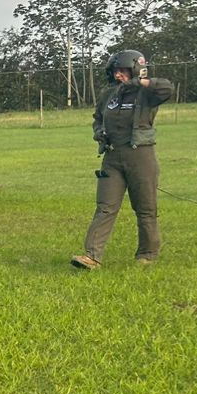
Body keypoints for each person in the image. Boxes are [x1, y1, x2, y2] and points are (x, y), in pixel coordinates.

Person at [71, 50, 176, 270]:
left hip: (141, 155)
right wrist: (99, 131)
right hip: (112, 156)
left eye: (123, 71)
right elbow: (98, 117)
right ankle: (92, 256)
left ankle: (147, 254)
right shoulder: (109, 95)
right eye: (115, 72)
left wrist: (141, 83)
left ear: (137, 69)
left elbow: (167, 88)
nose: (118, 75)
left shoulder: (147, 93)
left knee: (145, 208)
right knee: (105, 207)